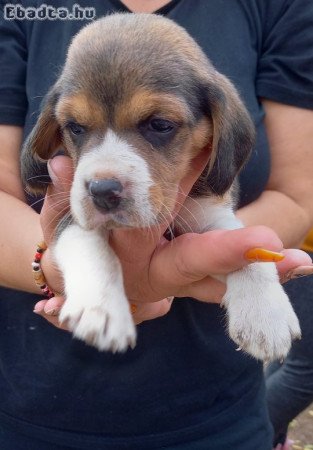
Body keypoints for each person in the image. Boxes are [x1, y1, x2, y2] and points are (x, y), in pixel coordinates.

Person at [0, 1, 313, 449]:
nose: (105, 174)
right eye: (79, 128)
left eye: (159, 124)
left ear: (216, 124)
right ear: (54, 124)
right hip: (31, 408)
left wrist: (249, 272)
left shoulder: (277, 7)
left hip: (214, 412)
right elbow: (63, 229)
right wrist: (62, 272)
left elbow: (281, 202)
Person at [266, 229, 313, 449]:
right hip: (304, 247)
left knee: (292, 353)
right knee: (305, 370)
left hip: (299, 242)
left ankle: (274, 438)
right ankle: (259, 437)